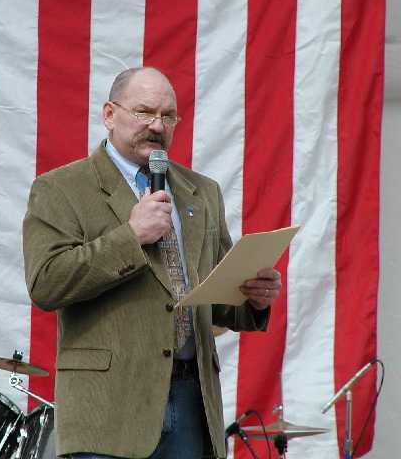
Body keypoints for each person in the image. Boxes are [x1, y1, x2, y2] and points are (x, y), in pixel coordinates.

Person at [22, 67, 281, 459]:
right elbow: (46, 283)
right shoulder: (60, 188)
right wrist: (131, 237)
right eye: (144, 112)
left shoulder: (202, 192)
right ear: (110, 114)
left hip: (192, 401)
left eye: (168, 116)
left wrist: (253, 298)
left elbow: (214, 296)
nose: (157, 126)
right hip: (107, 411)